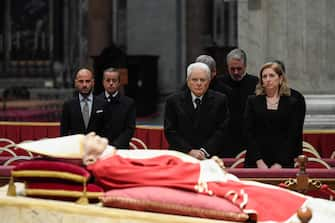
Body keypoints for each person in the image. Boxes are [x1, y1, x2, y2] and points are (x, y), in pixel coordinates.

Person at [164, 62, 229, 160]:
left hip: (210, 157)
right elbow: (170, 131)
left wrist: (204, 151)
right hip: (181, 156)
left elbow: (222, 130)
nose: (199, 83)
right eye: (194, 79)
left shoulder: (220, 100)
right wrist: (189, 151)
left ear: (209, 81)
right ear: (188, 81)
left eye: (202, 80)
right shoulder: (173, 101)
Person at [244, 62, 304, 168]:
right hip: (256, 161)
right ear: (261, 81)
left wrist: (280, 163)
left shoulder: (291, 103)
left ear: (280, 79)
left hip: (284, 160)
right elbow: (248, 133)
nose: (268, 79)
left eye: (272, 75)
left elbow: (292, 135)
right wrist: (259, 161)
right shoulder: (252, 101)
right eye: (264, 76)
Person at [216, 48, 258, 158]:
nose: (236, 72)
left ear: (245, 66)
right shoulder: (218, 83)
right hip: (225, 139)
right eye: (232, 69)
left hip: (249, 137)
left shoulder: (256, 83)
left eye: (239, 69)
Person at [272, 60, 306, 153]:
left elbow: (296, 131)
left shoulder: (296, 98)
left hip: (290, 153)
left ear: (282, 77)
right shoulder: (257, 99)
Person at [97, 67, 136, 149]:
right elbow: (93, 127)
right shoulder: (95, 101)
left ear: (119, 83)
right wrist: (102, 145)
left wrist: (116, 146)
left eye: (114, 80)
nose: (111, 83)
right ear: (103, 82)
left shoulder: (128, 103)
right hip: (100, 148)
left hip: (121, 148)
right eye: (108, 80)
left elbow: (129, 129)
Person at [60, 68, 105, 136]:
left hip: (96, 145)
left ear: (93, 82)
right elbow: (64, 133)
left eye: (87, 81)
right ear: (76, 83)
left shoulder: (103, 104)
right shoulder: (68, 105)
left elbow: (107, 132)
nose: (84, 85)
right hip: (75, 146)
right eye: (81, 81)